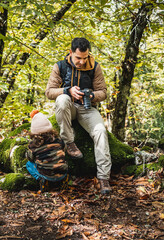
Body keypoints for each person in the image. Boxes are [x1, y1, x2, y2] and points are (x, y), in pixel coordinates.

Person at [45, 37, 112, 194]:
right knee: (61, 99)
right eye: (78, 58)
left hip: (87, 109)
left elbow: (103, 92)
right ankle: (70, 143)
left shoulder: (95, 67)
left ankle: (103, 178)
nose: (82, 62)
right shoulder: (60, 66)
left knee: (101, 132)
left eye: (85, 58)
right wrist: (67, 90)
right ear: (70, 52)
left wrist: (91, 95)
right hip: (68, 107)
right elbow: (49, 92)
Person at [25, 110, 68, 192]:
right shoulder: (58, 140)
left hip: (45, 174)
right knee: (62, 161)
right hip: (62, 172)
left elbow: (30, 158)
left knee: (28, 164)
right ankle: (63, 179)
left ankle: (41, 179)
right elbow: (64, 149)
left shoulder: (33, 144)